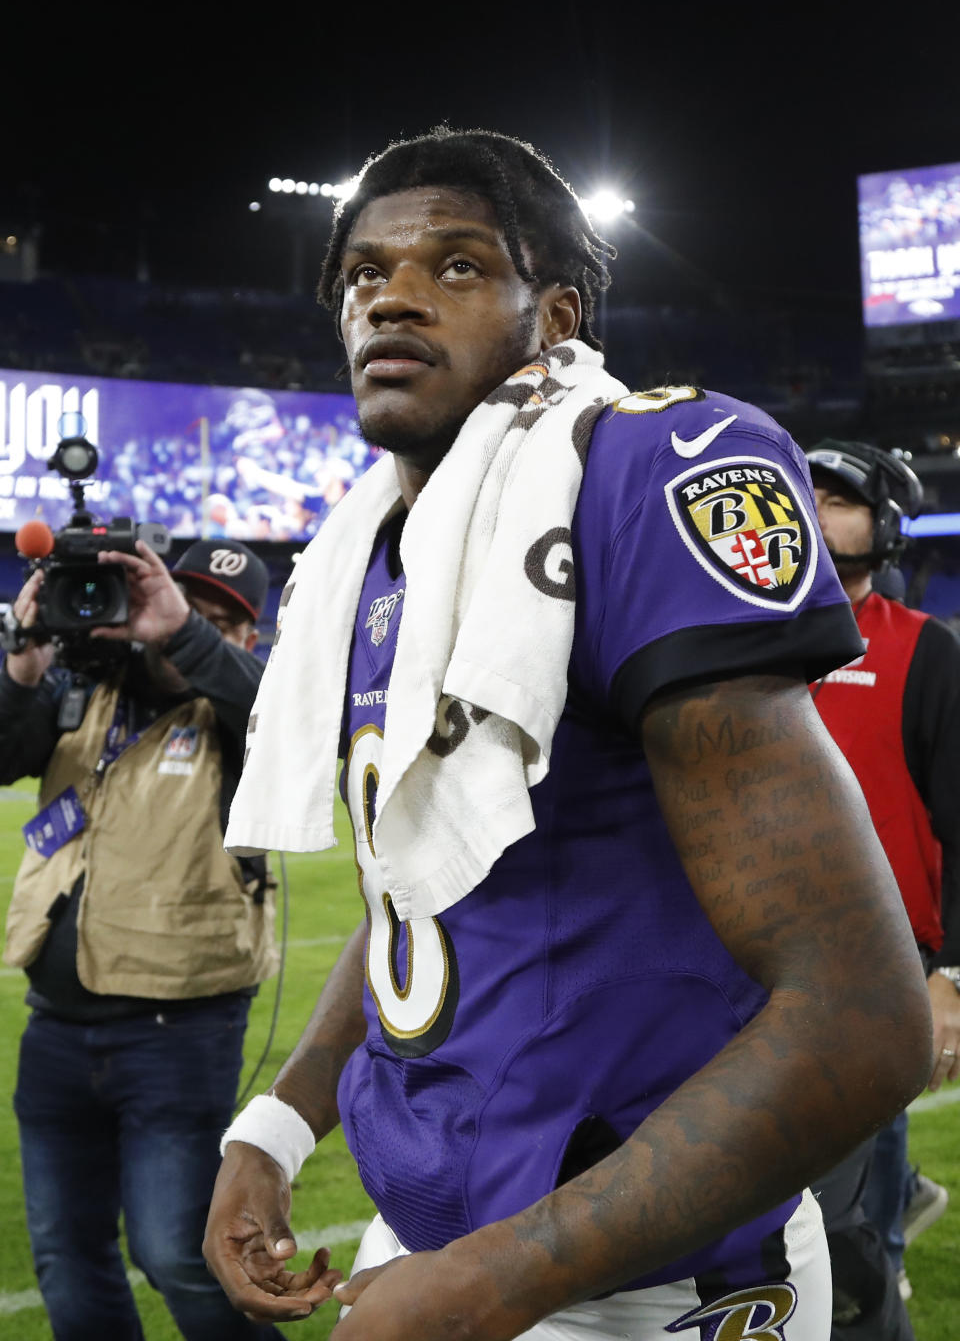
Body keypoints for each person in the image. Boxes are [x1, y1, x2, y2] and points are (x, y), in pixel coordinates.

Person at [203, 127, 933, 1341]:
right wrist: (277, 1125)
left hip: (643, 1289)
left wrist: (503, 1279)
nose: (391, 296)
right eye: (363, 275)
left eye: (456, 267)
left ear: (556, 316)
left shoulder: (639, 471)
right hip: (456, 1242)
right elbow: (422, 883)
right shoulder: (368, 554)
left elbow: (863, 1018)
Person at [1, 537, 284, 1341]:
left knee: (179, 1253)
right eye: (187, 605)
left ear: (243, 639)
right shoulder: (89, 689)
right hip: (54, 1025)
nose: (192, 624)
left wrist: (180, 636)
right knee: (65, 1252)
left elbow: (279, 713)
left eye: (221, 621)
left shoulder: (243, 714)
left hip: (177, 1033)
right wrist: (23, 662)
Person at [805, 439, 960, 1330]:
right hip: (746, 972)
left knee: (845, 1241)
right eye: (807, 498)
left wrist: (952, 977)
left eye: (839, 500)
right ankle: (898, 1183)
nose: (817, 514)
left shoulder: (926, 653)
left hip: (875, 977)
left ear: (887, 526)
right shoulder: (747, 643)